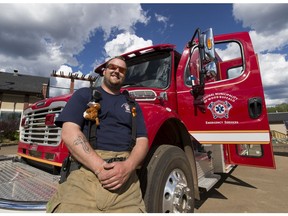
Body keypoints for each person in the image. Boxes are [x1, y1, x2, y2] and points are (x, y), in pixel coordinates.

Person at [46, 56, 149, 213]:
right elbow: (69, 131)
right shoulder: (84, 95)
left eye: (122, 69)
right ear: (105, 71)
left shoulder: (133, 105)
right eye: (112, 67)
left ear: (125, 75)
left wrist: (128, 167)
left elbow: (142, 140)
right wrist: (100, 168)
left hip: (126, 180)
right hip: (86, 172)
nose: (116, 71)